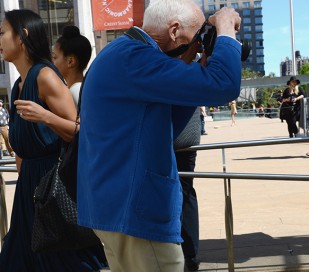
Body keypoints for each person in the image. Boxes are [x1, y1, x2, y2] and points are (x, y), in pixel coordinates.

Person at [76, 1, 242, 271]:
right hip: (134, 212)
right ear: (174, 31)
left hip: (115, 208)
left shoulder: (123, 52)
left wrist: (192, 68)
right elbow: (224, 84)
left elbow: (166, 130)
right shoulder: (137, 58)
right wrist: (224, 29)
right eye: (197, 36)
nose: (199, 45)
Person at [0, 9, 108, 271]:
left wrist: (45, 116)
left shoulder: (44, 76)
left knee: (61, 260)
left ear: (22, 36)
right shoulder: (18, 85)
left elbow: (79, 131)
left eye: (2, 33)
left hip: (52, 188)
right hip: (30, 190)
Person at [174, 108, 201, 271]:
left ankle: (173, 249)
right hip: (188, 137)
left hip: (167, 138)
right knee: (186, 191)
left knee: (162, 193)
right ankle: (190, 254)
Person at [52, 25, 92, 108]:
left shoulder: (76, 91)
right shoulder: (82, 88)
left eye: (55, 57)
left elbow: (82, 121)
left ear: (70, 61)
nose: (52, 62)